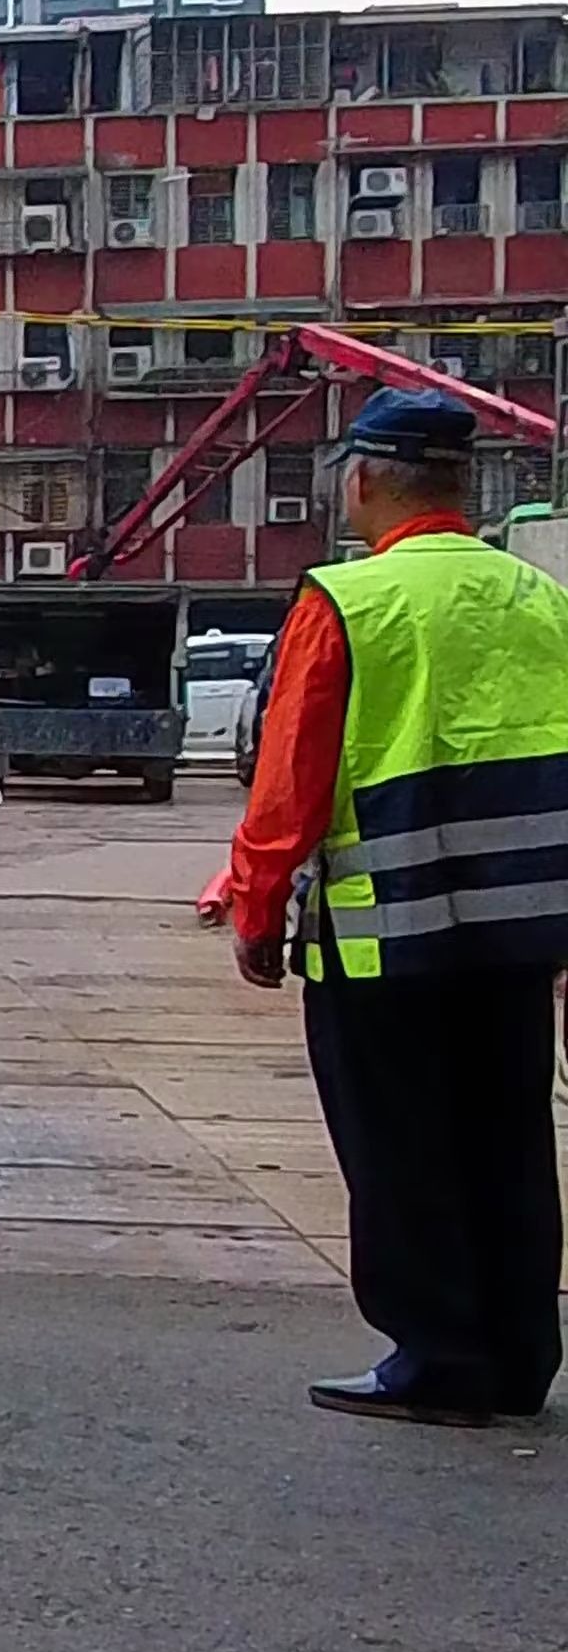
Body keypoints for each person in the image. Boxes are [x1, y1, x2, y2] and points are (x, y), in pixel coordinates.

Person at [211, 389, 568, 1427]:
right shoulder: (538, 599)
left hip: (382, 941)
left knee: (400, 1145)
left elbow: (293, 776)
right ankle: (517, 1353)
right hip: (515, 936)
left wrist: (255, 904)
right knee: (508, 1135)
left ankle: (437, 1356)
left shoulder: (350, 602)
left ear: (362, 479)